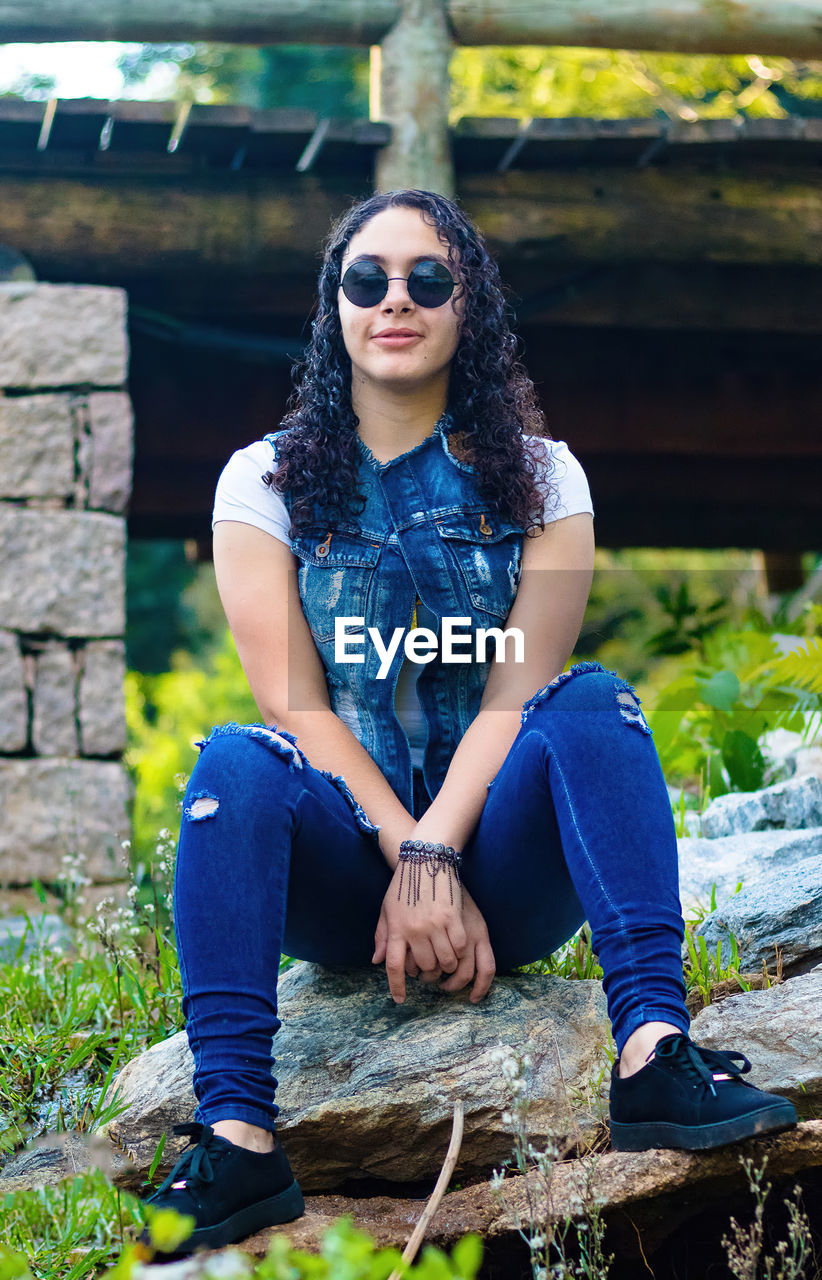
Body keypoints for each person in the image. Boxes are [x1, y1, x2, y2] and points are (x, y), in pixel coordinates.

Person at [139, 189, 796, 1258]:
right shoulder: (260, 480)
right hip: (349, 871)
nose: (395, 299)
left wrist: (443, 848)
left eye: (427, 280)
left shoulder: (547, 477)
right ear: (335, 308)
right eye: (368, 280)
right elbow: (293, 699)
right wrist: (406, 852)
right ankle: (237, 1135)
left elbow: (518, 686)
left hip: (508, 866)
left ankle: (654, 1050)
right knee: (234, 760)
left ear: (468, 307)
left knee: (588, 698)